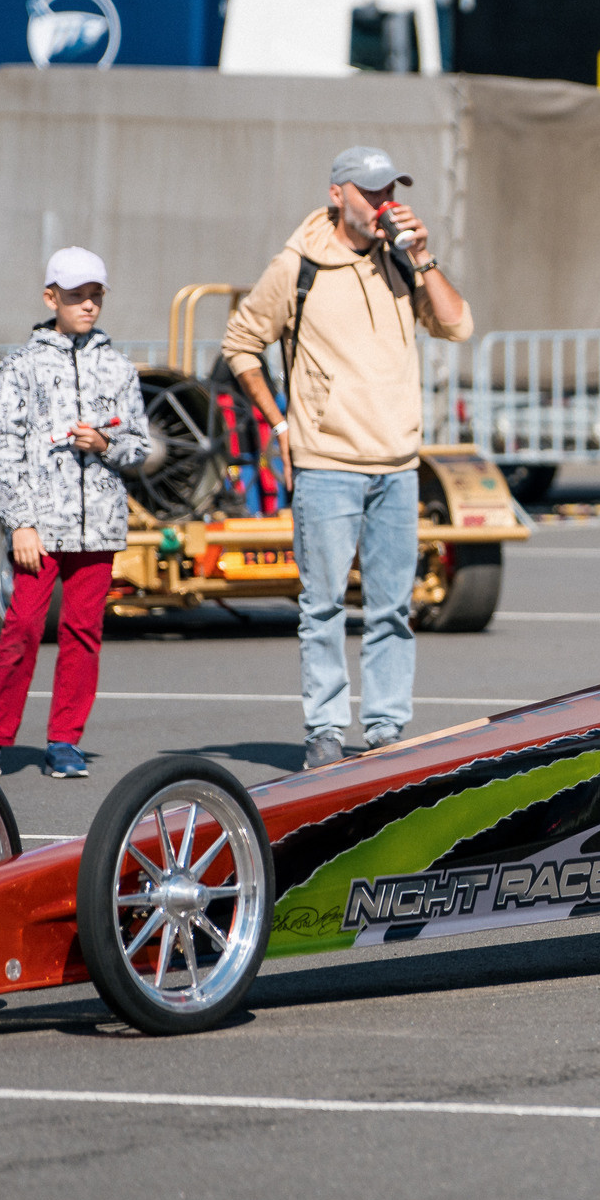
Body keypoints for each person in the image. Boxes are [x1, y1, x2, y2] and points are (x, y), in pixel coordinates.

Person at [223, 146, 475, 771]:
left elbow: (457, 326)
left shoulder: (401, 258)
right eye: (371, 191)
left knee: (393, 609)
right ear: (337, 194)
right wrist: (280, 422)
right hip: (327, 463)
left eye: (390, 190)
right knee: (324, 605)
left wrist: (424, 256)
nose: (384, 203)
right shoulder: (297, 265)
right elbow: (241, 342)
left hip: (397, 463)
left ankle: (386, 728)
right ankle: (326, 731)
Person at [0, 250, 150, 780]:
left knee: (83, 631)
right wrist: (20, 523)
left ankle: (65, 741)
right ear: (51, 299)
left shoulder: (119, 368)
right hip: (40, 528)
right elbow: (3, 449)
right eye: (75, 296)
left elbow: (141, 446)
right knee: (22, 626)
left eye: (95, 295)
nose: (87, 305)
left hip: (100, 527)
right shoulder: (20, 366)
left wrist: (106, 444)